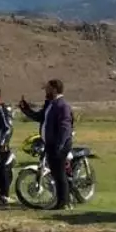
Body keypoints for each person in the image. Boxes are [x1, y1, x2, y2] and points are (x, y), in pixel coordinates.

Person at [20, 79, 74, 210]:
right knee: (56, 174)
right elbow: (39, 117)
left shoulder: (62, 105)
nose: (45, 91)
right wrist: (25, 108)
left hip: (58, 145)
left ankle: (63, 203)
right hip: (50, 144)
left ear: (55, 89)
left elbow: (65, 128)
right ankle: (61, 201)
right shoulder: (50, 104)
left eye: (48, 88)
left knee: (59, 174)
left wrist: (59, 146)